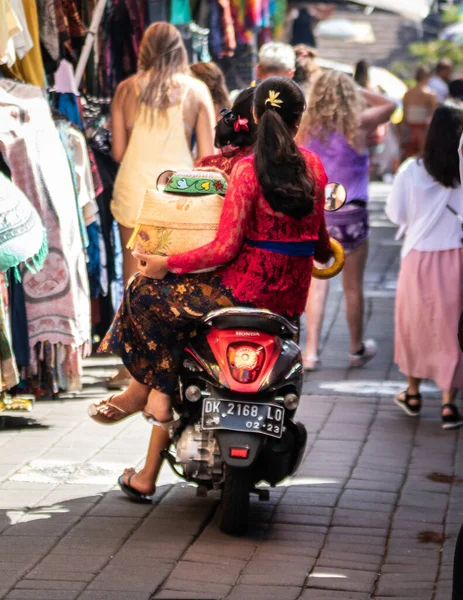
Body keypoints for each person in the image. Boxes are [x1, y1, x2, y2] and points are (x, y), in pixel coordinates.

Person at [90, 77, 333, 500]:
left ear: (254, 116)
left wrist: (166, 264)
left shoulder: (245, 169)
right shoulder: (315, 166)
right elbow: (320, 246)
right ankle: (154, 396)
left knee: (144, 294)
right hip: (289, 300)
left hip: (239, 292)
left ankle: (151, 393)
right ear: (299, 121)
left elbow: (224, 248)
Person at [108, 22, 216, 389]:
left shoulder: (125, 89)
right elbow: (207, 156)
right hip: (178, 190)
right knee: (176, 273)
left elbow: (119, 151)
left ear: (144, 50)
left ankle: (130, 365)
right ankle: (174, 356)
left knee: (133, 272)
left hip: (134, 187)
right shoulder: (197, 91)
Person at [298, 70, 396, 370]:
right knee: (353, 287)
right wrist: (357, 89)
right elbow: (392, 104)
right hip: (352, 213)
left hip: (317, 215)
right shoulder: (357, 124)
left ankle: (311, 352)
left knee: (317, 285)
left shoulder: (305, 127)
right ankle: (355, 349)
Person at [386, 104, 463, 430]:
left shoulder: (410, 170)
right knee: (451, 330)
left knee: (414, 325)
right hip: (456, 256)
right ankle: (448, 404)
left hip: (417, 255)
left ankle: (413, 393)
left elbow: (395, 214)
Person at [401, 65, 437, 160]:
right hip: (422, 131)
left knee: (409, 158)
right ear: (426, 77)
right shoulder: (430, 94)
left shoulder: (408, 93)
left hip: (410, 130)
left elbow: (404, 115)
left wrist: (401, 133)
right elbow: (433, 115)